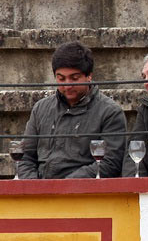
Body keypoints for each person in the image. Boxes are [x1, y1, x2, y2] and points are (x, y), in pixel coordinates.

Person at [18, 41, 126, 179]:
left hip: (83, 193)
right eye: (61, 79)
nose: (67, 85)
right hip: (40, 191)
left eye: (74, 78)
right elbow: (25, 157)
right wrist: (34, 186)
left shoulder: (110, 112)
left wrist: (66, 185)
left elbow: (110, 163)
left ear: (89, 76)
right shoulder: (41, 108)